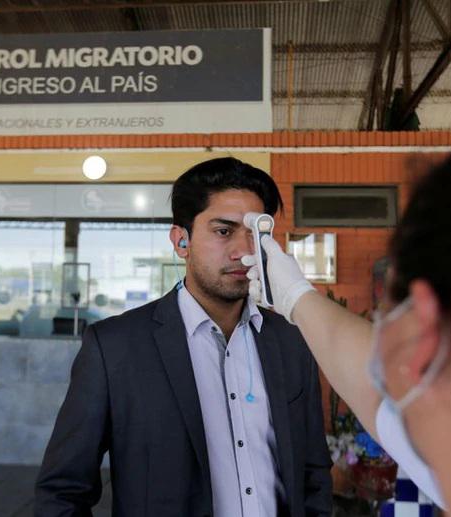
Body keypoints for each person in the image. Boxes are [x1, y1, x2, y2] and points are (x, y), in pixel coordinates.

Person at [244, 116, 451, 517]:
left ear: (424, 334)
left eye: (390, 302)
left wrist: (297, 297)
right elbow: (370, 383)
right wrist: (296, 296)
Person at [35, 157, 332, 516]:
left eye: (256, 235)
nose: (244, 252)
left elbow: (313, 473)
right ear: (181, 241)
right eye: (223, 231)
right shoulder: (115, 348)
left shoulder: (292, 340)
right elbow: (63, 492)